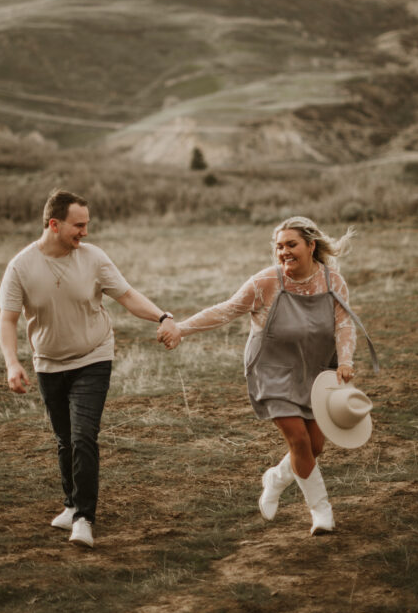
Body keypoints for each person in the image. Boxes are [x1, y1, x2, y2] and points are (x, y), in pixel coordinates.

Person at [157, 216, 377, 535]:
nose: (284, 252)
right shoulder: (265, 283)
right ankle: (322, 513)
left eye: (291, 245)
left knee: (315, 446)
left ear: (311, 246)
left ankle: (275, 478)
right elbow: (226, 310)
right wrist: (181, 329)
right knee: (299, 441)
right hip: (272, 370)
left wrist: (345, 360)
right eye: (279, 246)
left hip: (317, 371)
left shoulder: (332, 282)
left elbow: (343, 324)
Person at [0, 188, 180, 549]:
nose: (85, 232)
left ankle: (83, 518)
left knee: (83, 436)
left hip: (93, 356)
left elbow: (126, 296)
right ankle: (70, 504)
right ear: (54, 224)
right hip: (48, 363)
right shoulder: (20, 266)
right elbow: (8, 319)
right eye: (78, 226)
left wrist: (162, 315)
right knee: (65, 440)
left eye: (87, 225)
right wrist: (12, 362)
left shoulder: (94, 258)